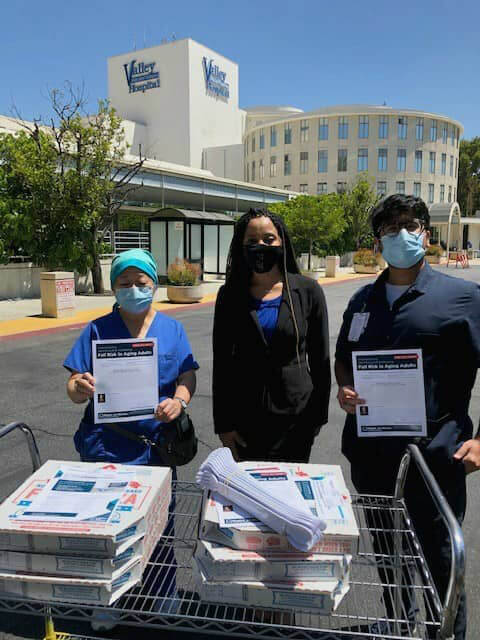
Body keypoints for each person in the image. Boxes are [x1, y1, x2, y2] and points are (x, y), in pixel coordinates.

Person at [335, 194, 480, 639]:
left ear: (425, 232)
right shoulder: (363, 301)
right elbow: (343, 357)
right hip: (372, 454)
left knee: (439, 554)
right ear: (378, 241)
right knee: (388, 549)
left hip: (436, 456)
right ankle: (400, 620)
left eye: (409, 225)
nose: (400, 234)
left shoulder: (462, 297)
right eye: (390, 228)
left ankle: (446, 633)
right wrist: (344, 388)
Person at [64, 248, 199, 630]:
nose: (133, 289)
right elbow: (72, 384)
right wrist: (80, 386)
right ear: (114, 287)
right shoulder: (96, 329)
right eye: (124, 283)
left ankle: (164, 590)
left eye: (141, 283)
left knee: (161, 525)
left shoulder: (172, 329)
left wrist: (179, 400)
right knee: (108, 526)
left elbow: (188, 375)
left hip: (156, 447)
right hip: (107, 445)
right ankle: (110, 598)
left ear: (154, 284)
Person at [212, 207, 331, 463]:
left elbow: (321, 361)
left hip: (297, 416)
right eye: (252, 241)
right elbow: (222, 363)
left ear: (281, 242)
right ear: (241, 246)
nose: (261, 246)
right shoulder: (229, 295)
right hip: (245, 418)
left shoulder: (308, 291)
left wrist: (318, 416)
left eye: (268, 239)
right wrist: (223, 424)